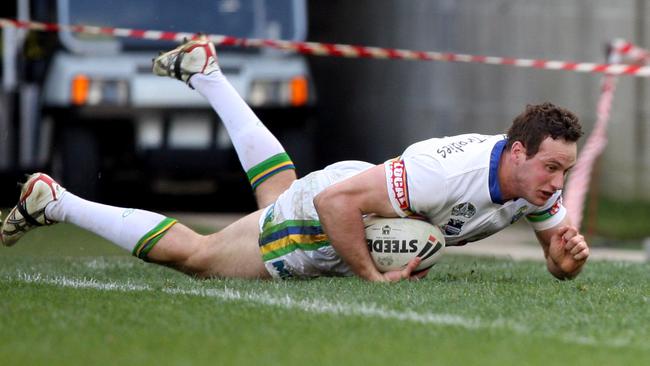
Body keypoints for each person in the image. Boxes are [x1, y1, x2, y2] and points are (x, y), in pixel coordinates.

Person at [1, 37, 590, 282]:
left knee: (275, 191)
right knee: (201, 257)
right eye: (552, 168)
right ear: (518, 152)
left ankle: (208, 75)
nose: (557, 183)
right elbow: (338, 203)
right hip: (332, 207)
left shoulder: (535, 185)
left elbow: (553, 254)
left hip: (346, 189)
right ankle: (57, 201)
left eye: (564, 170)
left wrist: (566, 259)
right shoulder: (449, 173)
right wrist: (372, 277)